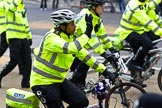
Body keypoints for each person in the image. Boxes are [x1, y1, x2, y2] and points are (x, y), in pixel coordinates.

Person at [30, 9, 116, 108]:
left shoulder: (69, 37)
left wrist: (105, 71)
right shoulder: (51, 39)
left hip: (58, 80)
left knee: (82, 101)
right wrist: (86, 34)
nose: (75, 26)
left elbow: (85, 56)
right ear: (62, 26)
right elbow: (71, 48)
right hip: (42, 83)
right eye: (72, 24)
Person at [70, 0, 118, 89]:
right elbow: (92, 39)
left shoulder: (96, 18)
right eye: (101, 6)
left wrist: (111, 49)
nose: (103, 8)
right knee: (84, 64)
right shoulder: (86, 16)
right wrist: (104, 54)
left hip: (82, 47)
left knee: (84, 68)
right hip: (74, 46)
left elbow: (103, 35)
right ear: (93, 7)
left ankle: (78, 84)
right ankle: (75, 85)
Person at [116, 0, 162, 85]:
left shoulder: (143, 3)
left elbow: (152, 10)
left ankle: (137, 76)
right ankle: (133, 64)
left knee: (154, 38)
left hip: (138, 30)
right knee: (147, 44)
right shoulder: (135, 5)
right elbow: (147, 21)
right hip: (127, 31)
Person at [0, 0, 32, 88]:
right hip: (13, 37)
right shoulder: (10, 8)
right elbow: (10, 8)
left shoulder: (21, 9)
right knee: (14, 61)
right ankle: (0, 76)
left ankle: (25, 81)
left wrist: (29, 37)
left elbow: (25, 24)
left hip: (23, 37)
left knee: (28, 60)